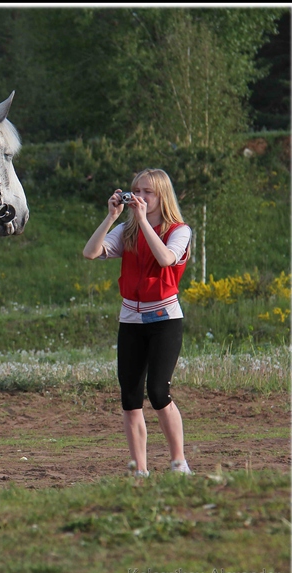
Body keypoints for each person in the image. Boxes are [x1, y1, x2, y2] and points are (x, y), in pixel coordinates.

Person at [82, 168, 193, 477]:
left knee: (158, 393)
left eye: (148, 192)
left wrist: (143, 221)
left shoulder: (179, 231)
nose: (140, 197)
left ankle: (178, 462)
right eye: (136, 191)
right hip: (131, 318)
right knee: (130, 399)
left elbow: (166, 259)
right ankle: (139, 471)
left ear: (162, 196)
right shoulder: (127, 230)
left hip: (164, 319)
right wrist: (111, 218)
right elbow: (90, 253)